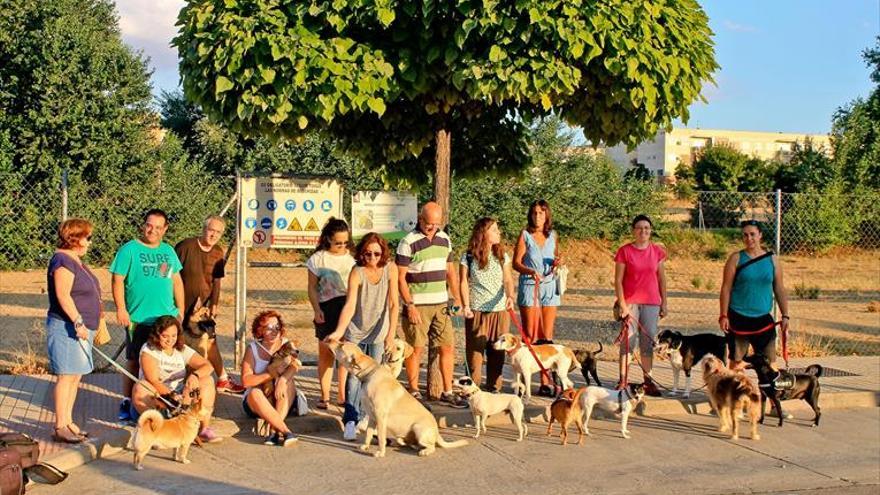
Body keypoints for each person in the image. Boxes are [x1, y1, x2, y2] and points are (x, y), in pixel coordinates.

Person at [110, 209, 185, 421]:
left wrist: (180, 310)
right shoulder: (129, 250)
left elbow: (175, 281)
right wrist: (121, 308)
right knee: (134, 360)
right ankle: (127, 400)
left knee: (168, 358)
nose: (152, 230)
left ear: (165, 229)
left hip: (166, 318)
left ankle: (167, 400)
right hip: (139, 318)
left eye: (158, 227)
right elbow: (117, 280)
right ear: (144, 225)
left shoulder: (168, 251)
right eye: (149, 225)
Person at [324, 232, 398, 440]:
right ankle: (350, 419)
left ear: (382, 252)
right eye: (367, 254)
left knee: (375, 378)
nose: (372, 258)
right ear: (361, 254)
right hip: (356, 329)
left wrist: (391, 335)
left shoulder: (390, 269)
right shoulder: (357, 272)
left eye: (376, 253)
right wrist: (339, 332)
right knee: (354, 377)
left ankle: (369, 420)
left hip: (379, 331)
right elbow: (350, 305)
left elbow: (394, 304)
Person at [397, 201, 465, 407]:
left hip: (441, 304)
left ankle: (447, 390)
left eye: (437, 224)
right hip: (418, 304)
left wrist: (457, 298)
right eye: (429, 224)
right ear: (420, 219)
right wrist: (410, 305)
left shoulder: (444, 239)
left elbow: (450, 271)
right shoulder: (408, 242)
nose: (433, 228)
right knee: (415, 348)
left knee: (447, 347)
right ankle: (414, 390)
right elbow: (400, 277)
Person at [45, 218, 101, 443]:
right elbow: (63, 294)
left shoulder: (75, 260)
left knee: (75, 376)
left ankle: (68, 421)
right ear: (74, 238)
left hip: (83, 327)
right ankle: (60, 426)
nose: (90, 242)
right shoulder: (62, 260)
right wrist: (78, 321)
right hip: (67, 327)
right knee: (66, 376)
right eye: (87, 237)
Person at [175, 215, 244, 394]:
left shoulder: (218, 252)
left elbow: (217, 280)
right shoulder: (185, 246)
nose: (213, 235)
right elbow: (168, 273)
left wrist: (214, 303)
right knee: (177, 341)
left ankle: (222, 379)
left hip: (203, 308)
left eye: (218, 232)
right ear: (204, 229)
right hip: (180, 305)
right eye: (211, 230)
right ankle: (176, 383)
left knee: (211, 341)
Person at [131, 315, 222, 443]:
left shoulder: (181, 349)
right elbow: (153, 380)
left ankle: (203, 429)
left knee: (207, 380)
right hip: (160, 398)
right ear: (157, 335)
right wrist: (172, 396)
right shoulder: (149, 349)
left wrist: (195, 376)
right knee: (141, 387)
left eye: (173, 336)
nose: (170, 340)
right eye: (165, 336)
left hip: (180, 398)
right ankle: (157, 429)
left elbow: (207, 366)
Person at [720, 220, 791, 370]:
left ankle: (771, 392)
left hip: (763, 319)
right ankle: (734, 392)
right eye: (745, 235)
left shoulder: (772, 260)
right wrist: (723, 315)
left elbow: (779, 288)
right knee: (736, 363)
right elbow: (726, 288)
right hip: (738, 317)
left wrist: (785, 315)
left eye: (752, 234)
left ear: (760, 235)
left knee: (770, 363)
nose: (749, 238)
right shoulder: (736, 258)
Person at [614, 214, 667, 397]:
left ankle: (648, 380)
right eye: (639, 228)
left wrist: (664, 302)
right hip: (631, 302)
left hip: (652, 302)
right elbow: (618, 280)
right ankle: (623, 379)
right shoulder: (625, 251)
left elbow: (661, 278)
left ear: (650, 230)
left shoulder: (657, 251)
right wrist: (622, 303)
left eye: (647, 228)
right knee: (629, 341)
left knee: (647, 342)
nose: (643, 231)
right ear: (633, 231)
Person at [512, 199, 562, 396]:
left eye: (541, 213)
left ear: (547, 215)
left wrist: (558, 263)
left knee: (546, 336)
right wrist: (529, 270)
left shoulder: (553, 236)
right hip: (530, 285)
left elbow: (556, 257)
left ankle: (545, 381)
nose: (537, 216)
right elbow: (516, 263)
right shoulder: (525, 236)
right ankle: (526, 381)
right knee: (531, 335)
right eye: (534, 213)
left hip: (549, 286)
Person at [460, 217, 515, 393]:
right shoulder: (468, 256)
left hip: (499, 310)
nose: (498, 233)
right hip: (477, 310)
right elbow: (463, 282)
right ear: (484, 233)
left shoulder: (501, 256)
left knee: (497, 351)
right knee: (475, 353)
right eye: (494, 230)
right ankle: (472, 389)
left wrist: (510, 296)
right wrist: (466, 306)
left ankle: (494, 387)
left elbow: (507, 279)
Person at [306, 218, 355, 410]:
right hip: (326, 307)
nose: (342, 246)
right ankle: (325, 395)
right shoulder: (318, 259)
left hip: (347, 306)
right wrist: (316, 309)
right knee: (326, 352)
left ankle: (342, 395)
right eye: (338, 243)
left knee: (344, 353)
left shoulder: (352, 257)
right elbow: (311, 288)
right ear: (328, 239)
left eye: (345, 242)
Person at [240, 310, 300, 447]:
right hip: (259, 401)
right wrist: (271, 374)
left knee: (287, 383)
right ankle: (285, 431)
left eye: (277, 327)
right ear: (260, 330)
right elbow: (246, 381)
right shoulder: (252, 349)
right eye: (268, 328)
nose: (274, 331)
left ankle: (273, 431)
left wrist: (282, 379)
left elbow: (295, 366)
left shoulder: (287, 344)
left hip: (282, 398)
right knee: (254, 392)